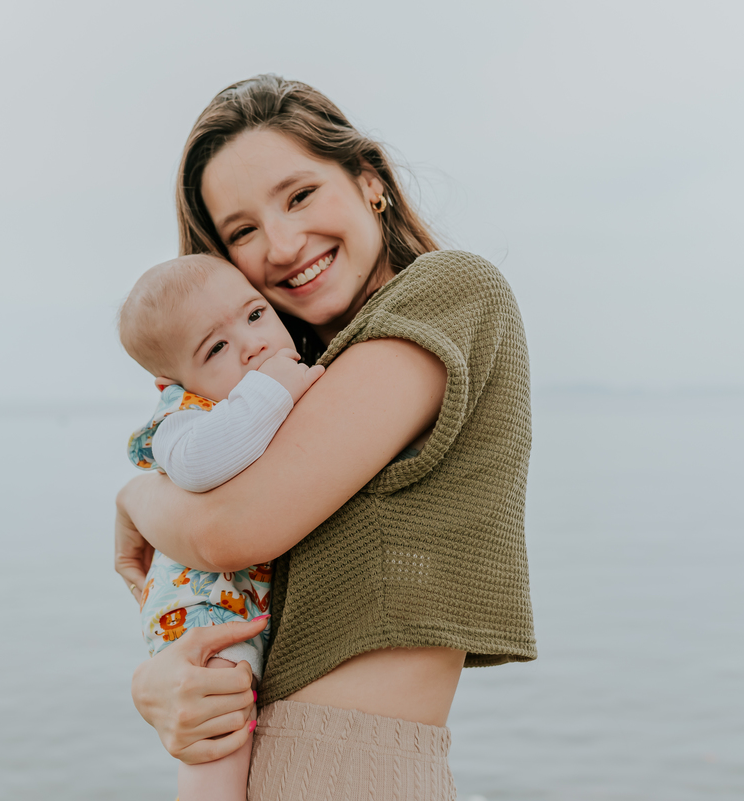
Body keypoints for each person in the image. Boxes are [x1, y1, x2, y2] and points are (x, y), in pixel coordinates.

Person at [114, 74, 536, 801]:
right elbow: (216, 592)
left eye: (300, 195)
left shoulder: (449, 293)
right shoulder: (290, 387)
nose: (282, 244)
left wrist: (133, 497)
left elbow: (227, 532)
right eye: (242, 231)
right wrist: (158, 685)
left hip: (348, 770)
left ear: (370, 181)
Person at [117, 253, 324, 801]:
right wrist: (275, 389)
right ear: (171, 382)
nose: (251, 345)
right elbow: (197, 464)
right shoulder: (182, 414)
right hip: (204, 609)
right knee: (220, 739)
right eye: (216, 348)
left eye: (255, 315)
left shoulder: (263, 381)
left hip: (243, 600)